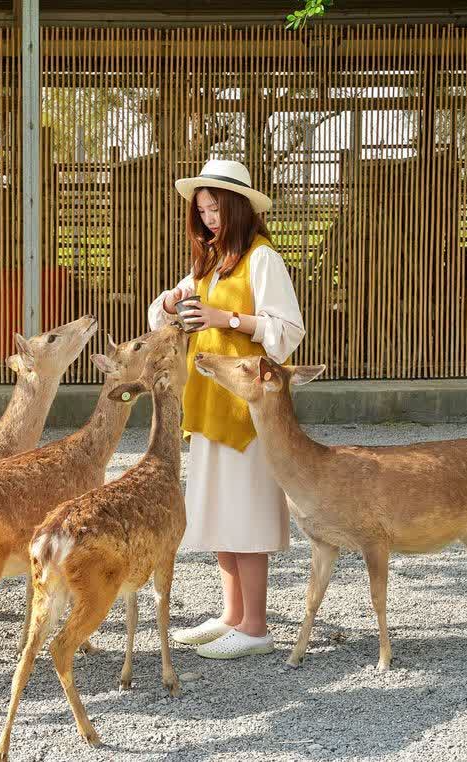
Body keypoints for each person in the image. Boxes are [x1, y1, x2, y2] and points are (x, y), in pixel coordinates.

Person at [147, 159, 305, 659]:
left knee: (248, 512)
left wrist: (227, 318)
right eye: (202, 210)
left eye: (216, 207)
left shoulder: (263, 260)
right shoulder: (212, 262)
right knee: (218, 509)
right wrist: (174, 303)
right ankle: (231, 615)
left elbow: (288, 334)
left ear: (237, 207)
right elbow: (158, 317)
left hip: (249, 411)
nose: (209, 218)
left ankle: (255, 626)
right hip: (209, 401)